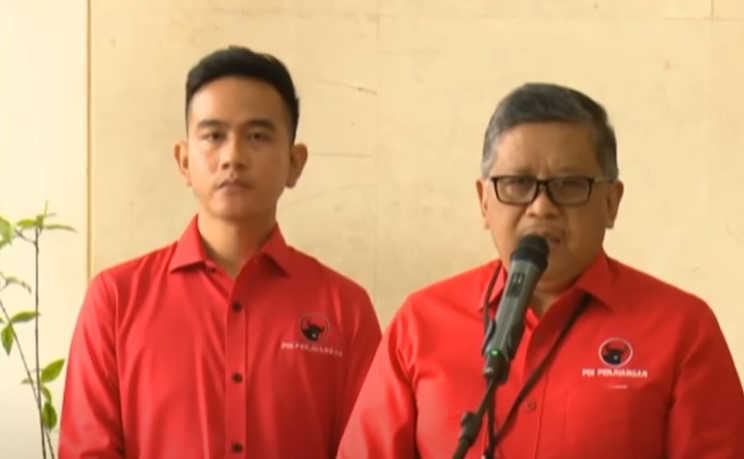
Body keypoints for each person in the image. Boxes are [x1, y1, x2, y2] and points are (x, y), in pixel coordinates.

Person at [336, 82, 744, 459]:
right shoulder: (421, 323)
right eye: (517, 184)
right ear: (484, 201)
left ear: (611, 202)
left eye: (569, 185)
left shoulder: (681, 328)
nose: (542, 207)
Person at [59, 45, 382, 459]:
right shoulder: (116, 301)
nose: (233, 157)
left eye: (257, 136)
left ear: (294, 162)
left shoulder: (345, 310)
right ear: (183, 160)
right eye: (213, 136)